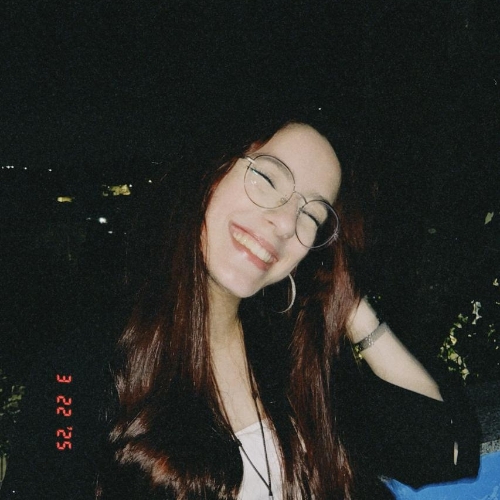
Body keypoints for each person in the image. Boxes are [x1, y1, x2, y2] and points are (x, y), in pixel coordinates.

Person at [1, 112, 480, 499]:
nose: (284, 223)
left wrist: (349, 302)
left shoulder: (295, 362)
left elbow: (446, 451)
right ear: (210, 171)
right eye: (268, 178)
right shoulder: (77, 370)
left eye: (311, 215)